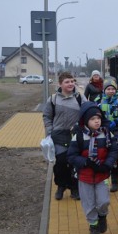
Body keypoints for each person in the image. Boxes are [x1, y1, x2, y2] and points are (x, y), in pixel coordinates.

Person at [67, 101, 118, 234]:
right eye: (92, 119)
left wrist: (107, 164)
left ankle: (102, 216)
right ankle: (93, 227)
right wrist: (85, 162)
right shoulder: (78, 136)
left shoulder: (107, 134)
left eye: (98, 118)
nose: (96, 121)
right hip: (84, 176)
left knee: (103, 201)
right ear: (85, 120)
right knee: (88, 204)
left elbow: (113, 150)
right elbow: (71, 156)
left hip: (102, 174)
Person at [42, 71, 82, 201]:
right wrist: (49, 131)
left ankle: (74, 188)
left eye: (72, 81)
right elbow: (47, 116)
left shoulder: (80, 98)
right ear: (60, 84)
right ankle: (61, 186)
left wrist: (78, 126)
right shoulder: (53, 99)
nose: (71, 84)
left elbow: (87, 114)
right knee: (61, 162)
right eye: (67, 82)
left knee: (74, 163)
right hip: (58, 135)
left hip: (75, 136)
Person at [97, 77, 118, 192]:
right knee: (103, 157)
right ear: (104, 90)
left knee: (115, 159)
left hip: (117, 136)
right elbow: (92, 115)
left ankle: (115, 181)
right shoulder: (98, 101)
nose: (111, 91)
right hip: (102, 135)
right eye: (108, 89)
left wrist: (117, 122)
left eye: (113, 89)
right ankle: (104, 180)